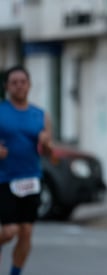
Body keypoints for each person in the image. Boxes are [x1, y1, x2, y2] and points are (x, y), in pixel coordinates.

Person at [0, 65, 53, 275]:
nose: (19, 86)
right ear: (7, 86)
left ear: (29, 85)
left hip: (31, 179)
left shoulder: (40, 115)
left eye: (23, 81)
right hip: (4, 179)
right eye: (14, 82)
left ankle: (14, 273)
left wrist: (47, 143)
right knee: (10, 231)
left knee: (26, 233)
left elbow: (50, 154)